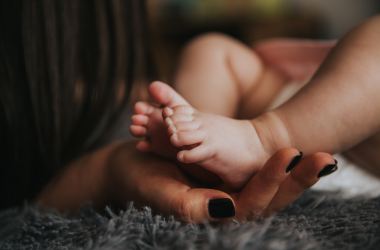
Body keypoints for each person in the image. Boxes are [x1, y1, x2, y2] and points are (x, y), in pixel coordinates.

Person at [0, 0, 334, 222]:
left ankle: (217, 146)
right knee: (208, 49)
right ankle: (209, 148)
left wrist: (107, 169)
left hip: (307, 113)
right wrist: (107, 171)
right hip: (270, 96)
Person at [130, 15, 380, 191]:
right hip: (295, 101)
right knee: (211, 48)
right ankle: (200, 144)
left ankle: (264, 139)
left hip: (362, 153)